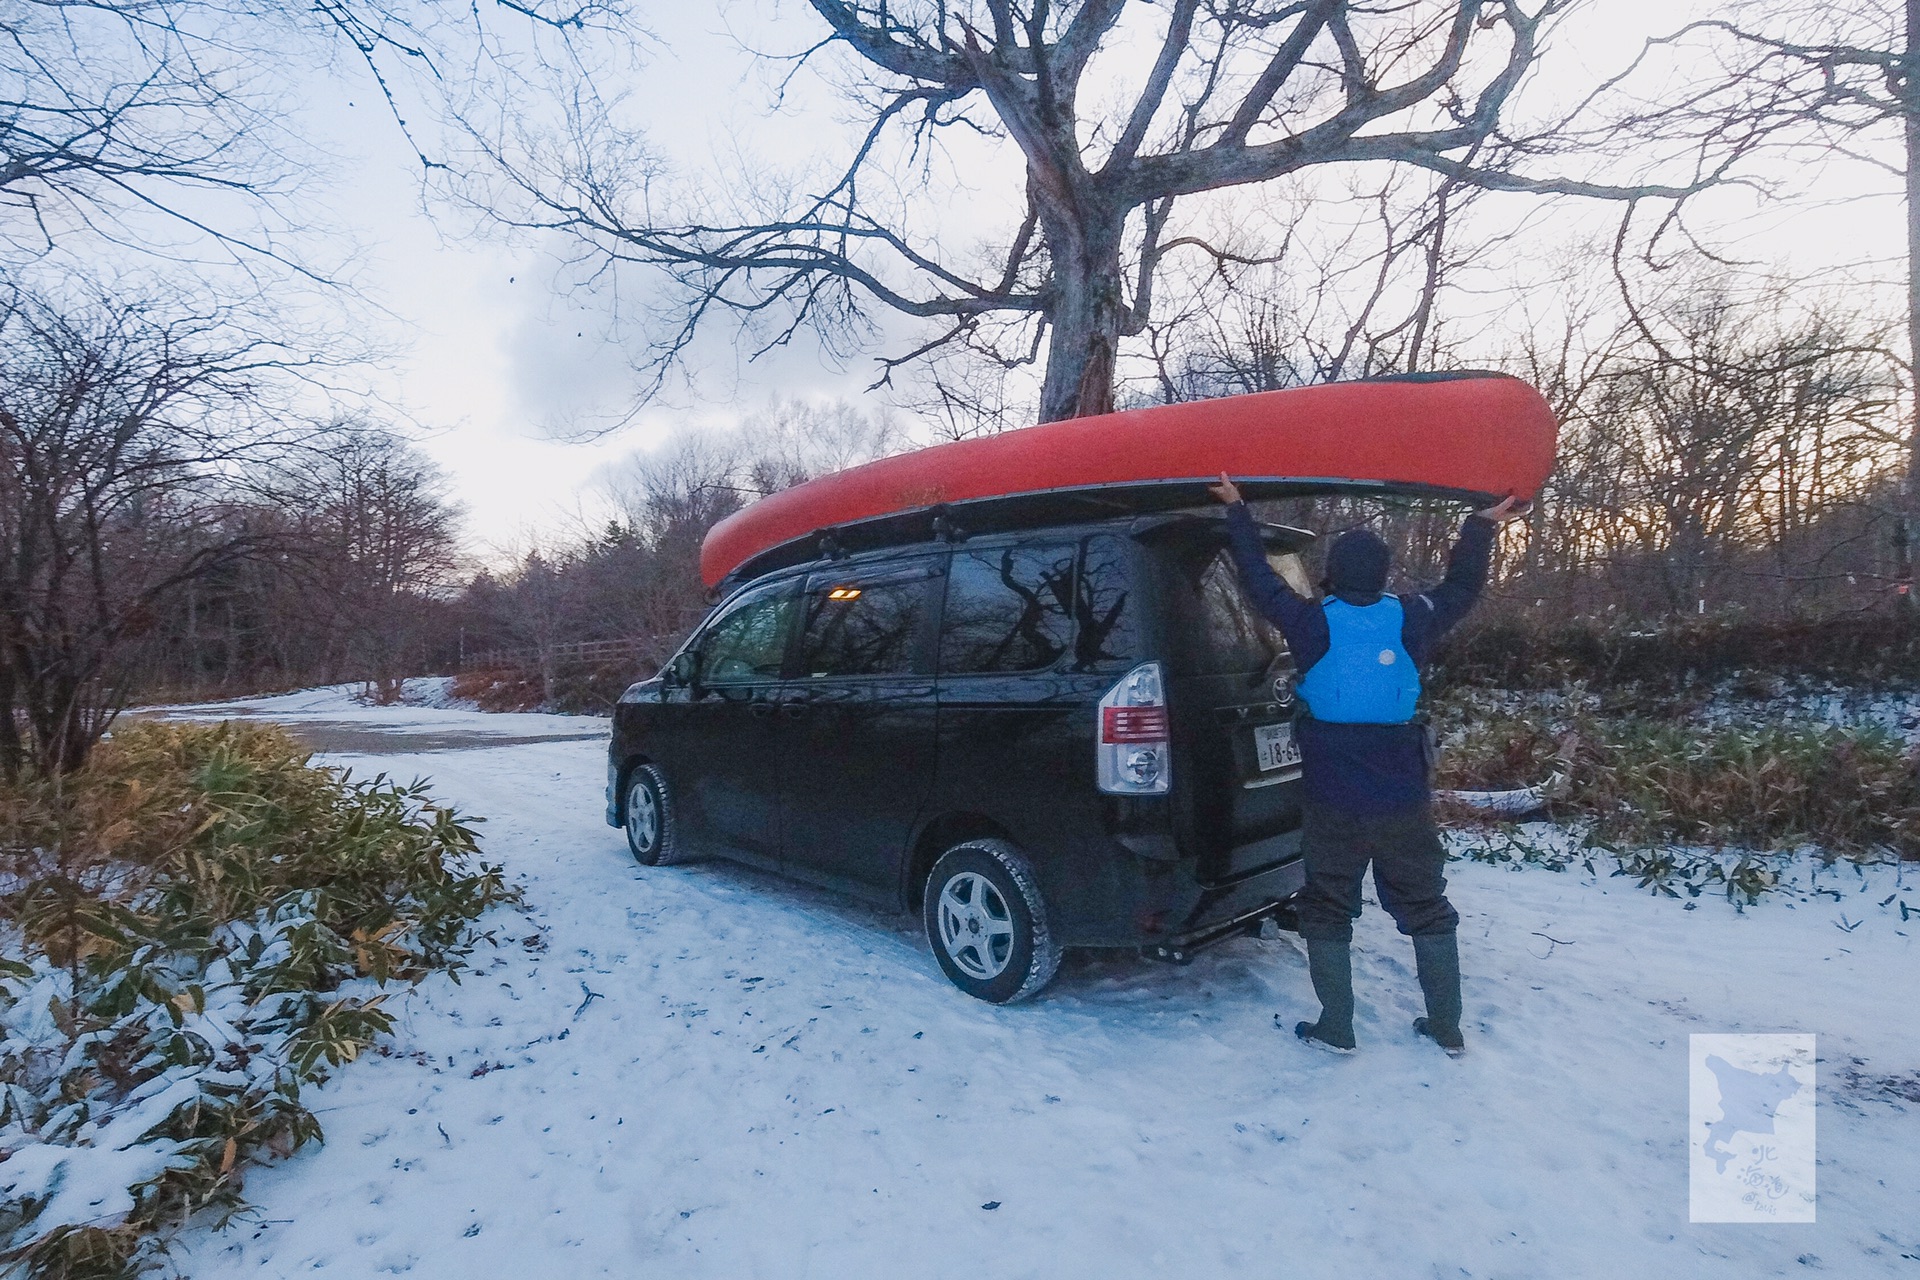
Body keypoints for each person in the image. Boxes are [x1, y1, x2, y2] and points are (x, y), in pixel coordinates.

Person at [1207, 473, 1527, 1056]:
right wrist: (1481, 525)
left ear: (1333, 570)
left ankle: (1337, 1027)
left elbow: (1257, 580)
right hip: (1403, 796)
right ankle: (1447, 1028)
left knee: (1328, 907)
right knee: (1426, 905)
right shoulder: (1414, 615)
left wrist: (1237, 509)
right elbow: (1463, 586)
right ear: (1384, 574)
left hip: (1333, 799)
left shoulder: (1311, 621)